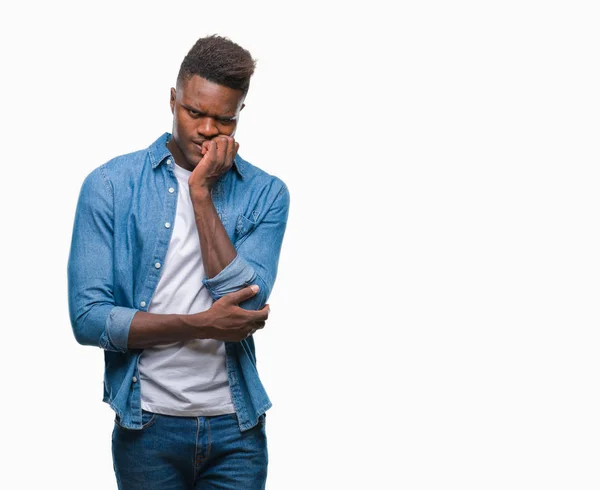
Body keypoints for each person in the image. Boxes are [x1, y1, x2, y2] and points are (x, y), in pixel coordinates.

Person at [67, 34, 290, 490]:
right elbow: (89, 320)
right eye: (194, 112)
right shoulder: (110, 186)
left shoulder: (267, 193)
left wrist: (201, 193)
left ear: (239, 115)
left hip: (236, 431)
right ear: (173, 100)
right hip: (147, 426)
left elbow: (243, 305)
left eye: (223, 119)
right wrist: (201, 325)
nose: (207, 129)